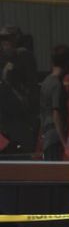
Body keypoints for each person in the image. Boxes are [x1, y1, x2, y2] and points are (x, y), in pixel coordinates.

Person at [0, 25, 38, 154]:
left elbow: (30, 84)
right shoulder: (4, 59)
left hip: (20, 115)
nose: (4, 44)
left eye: (7, 40)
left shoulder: (23, 56)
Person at [39, 45, 69, 161]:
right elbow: (56, 113)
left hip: (47, 134)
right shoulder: (56, 85)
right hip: (55, 136)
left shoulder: (47, 81)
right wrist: (64, 142)